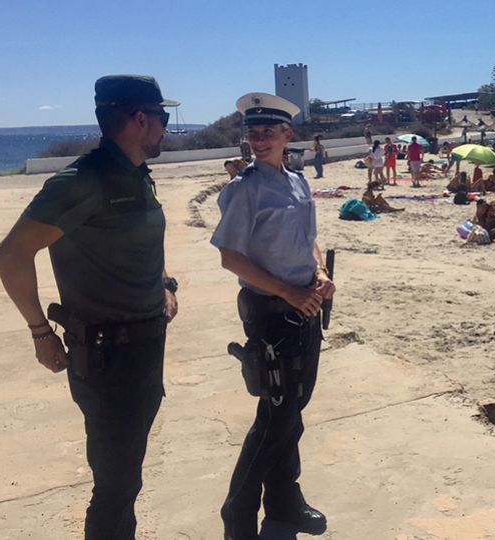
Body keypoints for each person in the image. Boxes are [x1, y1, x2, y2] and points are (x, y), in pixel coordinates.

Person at [0, 75, 179, 539]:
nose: (165, 127)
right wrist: (40, 333)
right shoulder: (84, 180)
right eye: (163, 117)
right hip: (107, 357)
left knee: (126, 477)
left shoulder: (135, 174)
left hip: (142, 350)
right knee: (115, 485)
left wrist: (164, 287)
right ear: (140, 119)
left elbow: (134, 246)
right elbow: (11, 254)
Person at [212, 92, 335, 539]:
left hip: (306, 308)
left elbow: (310, 241)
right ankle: (238, 517)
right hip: (270, 312)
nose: (260, 140)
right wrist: (287, 290)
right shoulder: (244, 189)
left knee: (293, 413)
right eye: (253, 133)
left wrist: (320, 273)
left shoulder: (298, 182)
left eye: (269, 133)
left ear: (288, 135)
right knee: (274, 420)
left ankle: (284, 503)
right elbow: (230, 257)